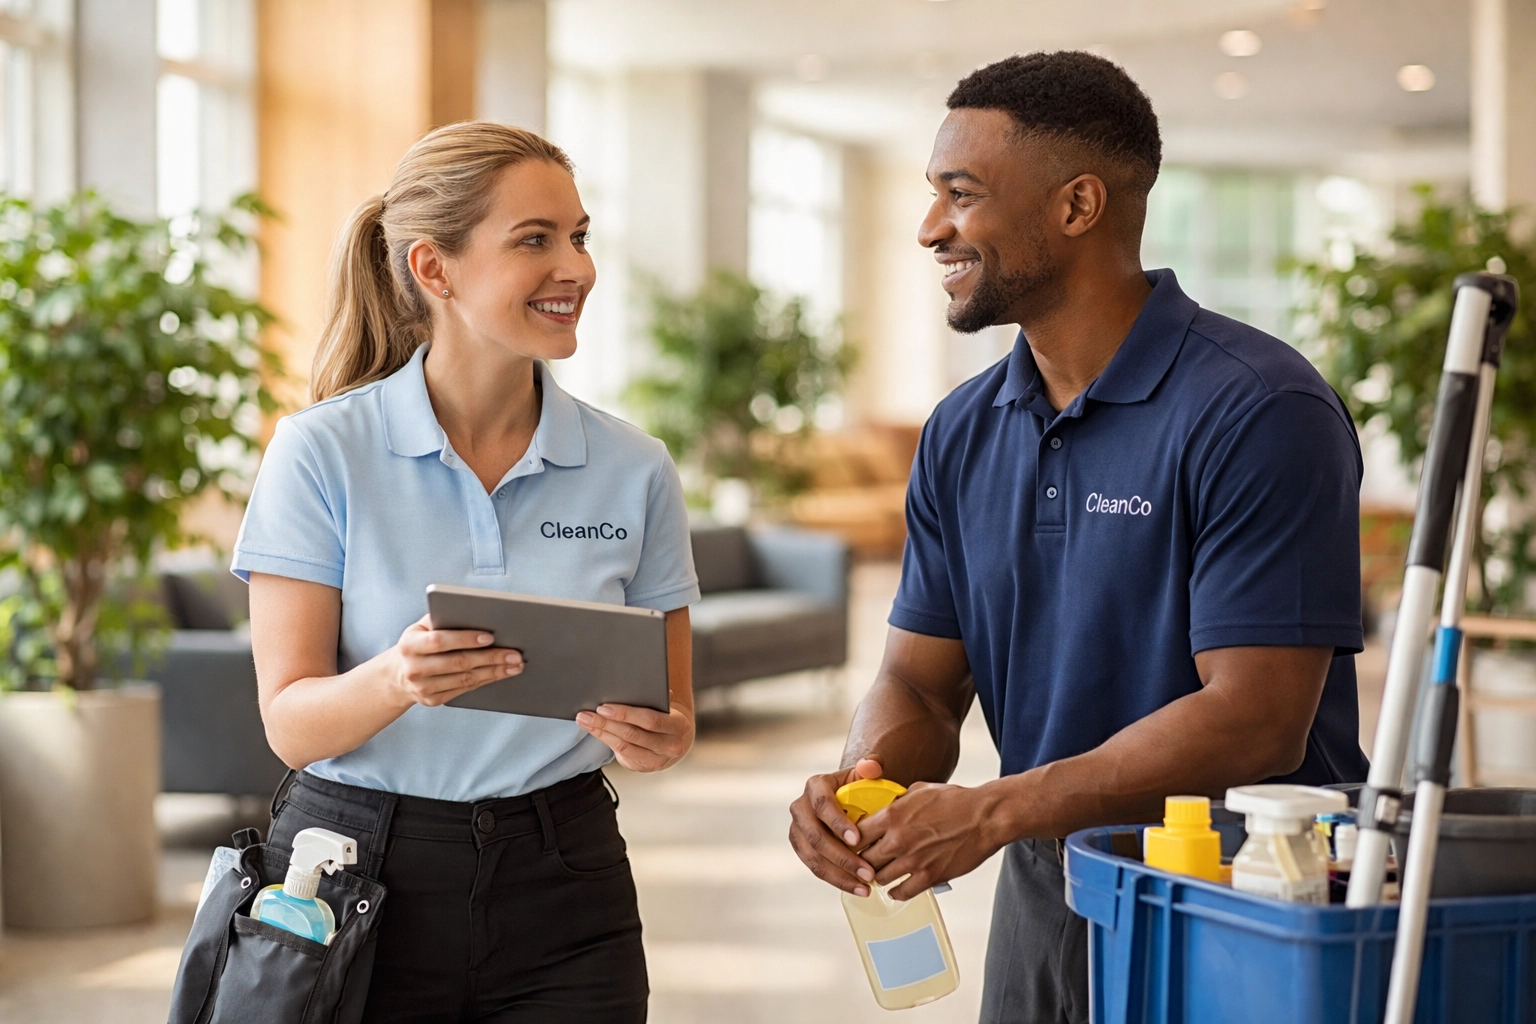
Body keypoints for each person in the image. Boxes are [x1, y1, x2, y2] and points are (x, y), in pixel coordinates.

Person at [788, 51, 1369, 1024]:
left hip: (1241, 901)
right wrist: (867, 780)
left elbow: (1258, 717)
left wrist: (995, 806)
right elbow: (923, 682)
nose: (930, 228)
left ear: (1078, 204)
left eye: (960, 194)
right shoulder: (962, 431)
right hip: (1046, 905)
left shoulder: (1260, 408)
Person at [233, 122, 699, 1023]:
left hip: (567, 877)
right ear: (433, 270)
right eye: (535, 240)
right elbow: (290, 725)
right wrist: (396, 678)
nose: (577, 267)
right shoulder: (322, 452)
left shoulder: (636, 468)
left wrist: (660, 738)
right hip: (350, 876)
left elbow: (674, 716)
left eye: (579, 235)